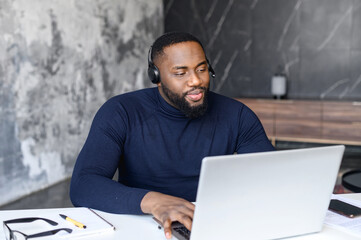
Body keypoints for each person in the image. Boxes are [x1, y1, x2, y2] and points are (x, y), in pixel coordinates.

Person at [70, 32, 274, 239]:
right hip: (142, 224)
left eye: (201, 69)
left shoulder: (237, 115)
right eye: (180, 73)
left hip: (209, 224)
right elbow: (83, 184)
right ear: (156, 77)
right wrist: (154, 202)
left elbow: (271, 178)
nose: (195, 81)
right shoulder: (120, 111)